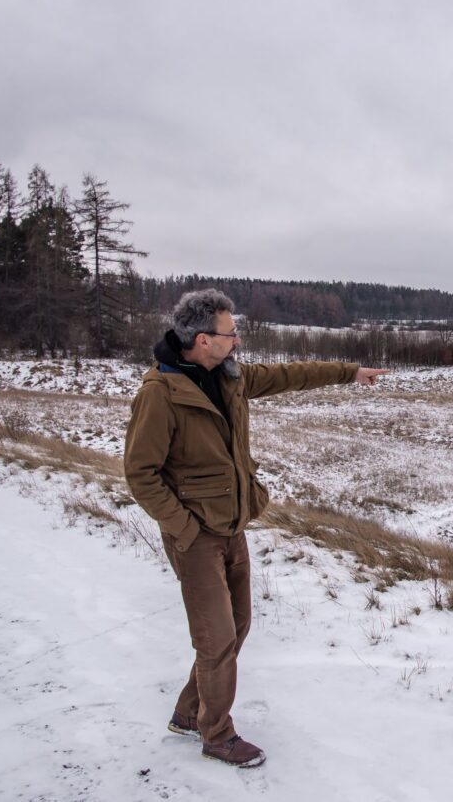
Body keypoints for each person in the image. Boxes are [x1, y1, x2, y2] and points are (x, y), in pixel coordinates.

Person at [124, 288, 388, 768]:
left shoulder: (228, 379)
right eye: (230, 333)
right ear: (203, 340)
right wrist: (184, 528)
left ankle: (188, 711)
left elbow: (290, 375)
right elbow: (140, 474)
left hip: (232, 524)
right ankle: (217, 735)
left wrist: (348, 373)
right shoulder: (159, 395)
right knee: (217, 637)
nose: (238, 340)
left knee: (237, 625)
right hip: (195, 535)